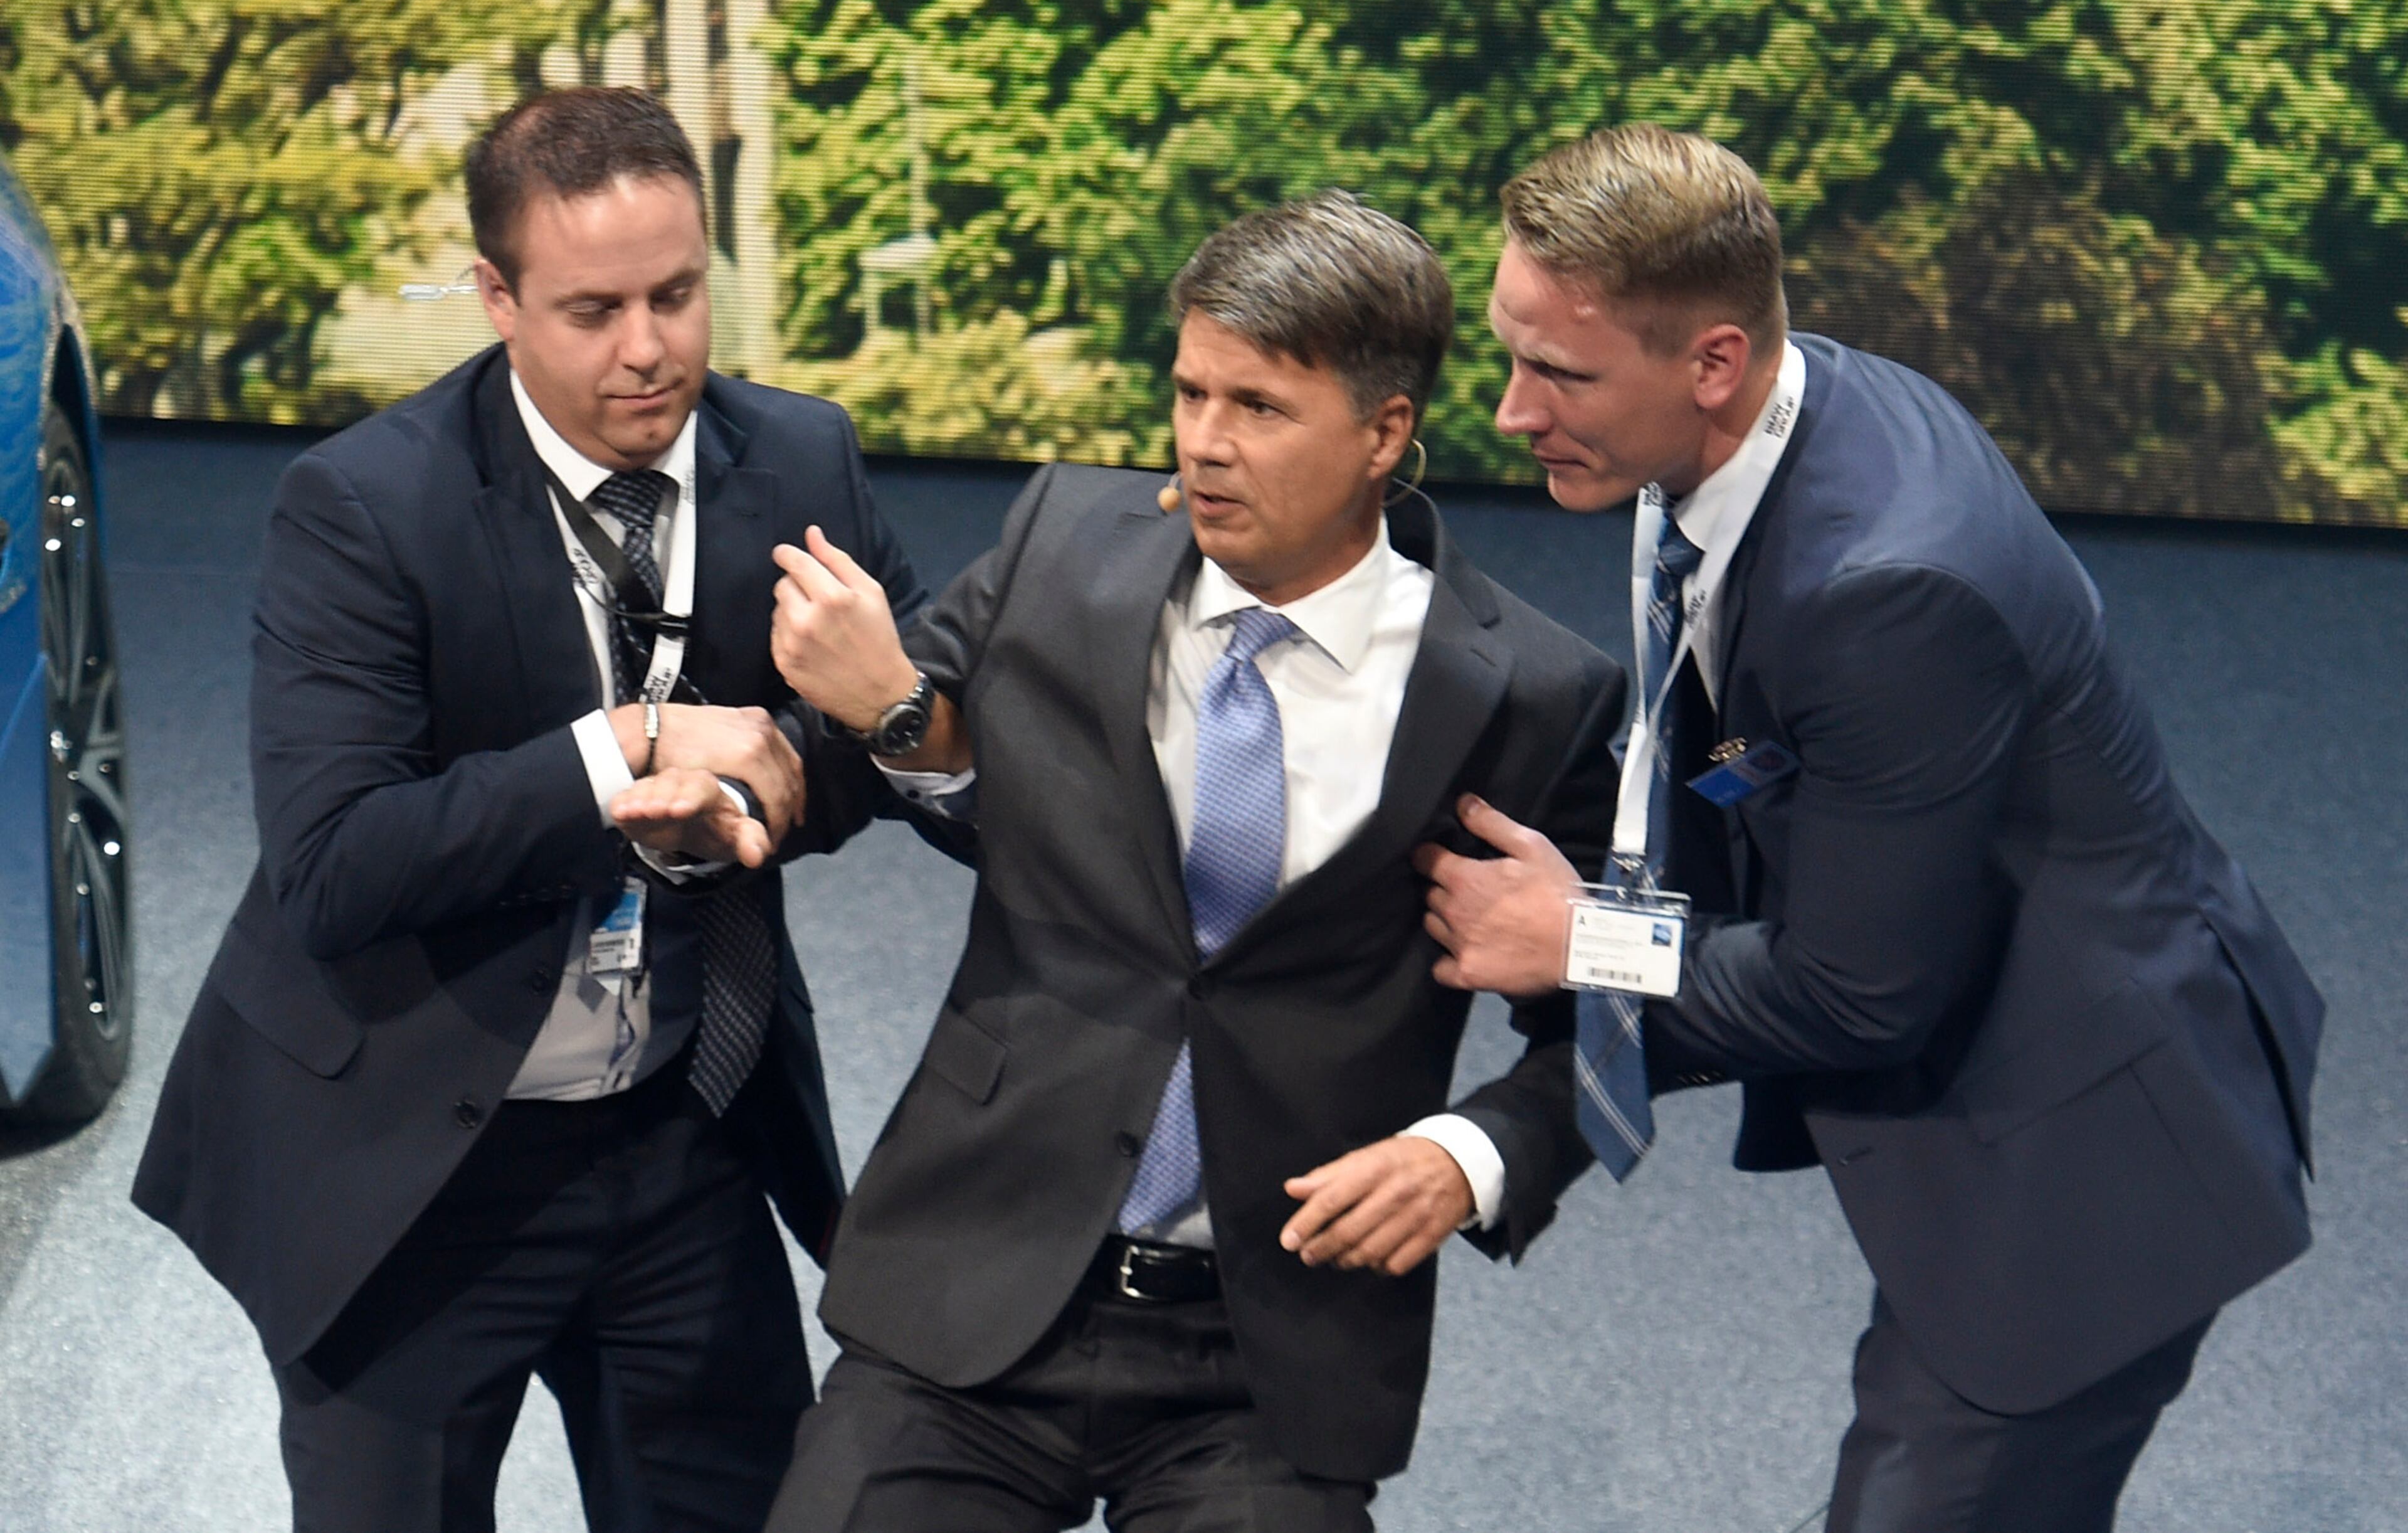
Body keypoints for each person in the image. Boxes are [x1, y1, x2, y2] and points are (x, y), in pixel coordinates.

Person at [1417, 124, 2323, 1531]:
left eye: (1560, 373)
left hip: (2087, 1180)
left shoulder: (1882, 589)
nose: (1514, 411)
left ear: (1714, 360)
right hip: (2039, 1071)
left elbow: (1860, 988)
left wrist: (1584, 936)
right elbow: (1759, 767)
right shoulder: (1795, 410)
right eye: (1513, 352)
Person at [754, 192, 1623, 1531]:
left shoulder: (1531, 695)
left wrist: (1474, 1154)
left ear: (1386, 432)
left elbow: (1610, 1026)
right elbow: (903, 759)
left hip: (1266, 1364)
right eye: (1190, 391)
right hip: (973, 1293)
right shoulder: (1060, 547)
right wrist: (811, 731)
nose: (1205, 443)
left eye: (1259, 408)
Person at [130, 87, 929, 1532]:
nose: (649, 349)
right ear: (495, 297)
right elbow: (336, 863)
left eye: (679, 295)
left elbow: (889, 722)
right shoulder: (364, 506)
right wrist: (625, 748)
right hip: (414, 1165)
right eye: (594, 308)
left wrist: (764, 784)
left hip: (681, 1134)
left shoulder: (802, 458)